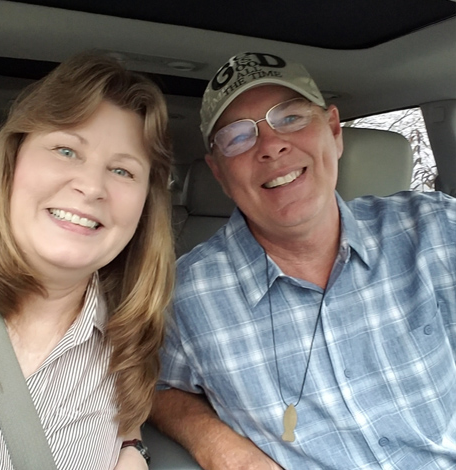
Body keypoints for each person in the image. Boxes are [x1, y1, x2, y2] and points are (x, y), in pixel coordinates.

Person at [150, 51, 456, 469]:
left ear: (334, 131)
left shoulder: (436, 228)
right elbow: (147, 384)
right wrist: (218, 444)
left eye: (291, 118)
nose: (271, 146)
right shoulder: (184, 297)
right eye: (237, 137)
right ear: (219, 173)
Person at [0, 52, 174, 470]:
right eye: (66, 150)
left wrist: (133, 448)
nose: (91, 187)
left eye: (123, 171)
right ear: (12, 160)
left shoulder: (127, 347)